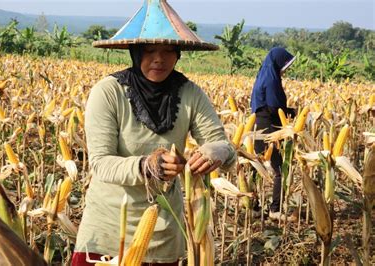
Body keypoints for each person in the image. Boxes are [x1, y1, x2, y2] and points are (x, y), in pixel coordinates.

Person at [72, 1, 236, 265]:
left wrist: (216, 150)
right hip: (110, 229)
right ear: (135, 52)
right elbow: (101, 164)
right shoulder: (108, 92)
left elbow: (223, 147)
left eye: (168, 50)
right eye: (149, 50)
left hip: (163, 231)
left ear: (178, 53)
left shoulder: (190, 93)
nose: (159, 58)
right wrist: (147, 165)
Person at [250, 47, 296, 221]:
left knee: (255, 167)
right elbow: (274, 107)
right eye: (285, 65)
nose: (286, 70)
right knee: (280, 170)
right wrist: (290, 112)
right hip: (268, 127)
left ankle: (253, 208)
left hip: (258, 126)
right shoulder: (271, 81)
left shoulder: (262, 76)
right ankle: (275, 210)